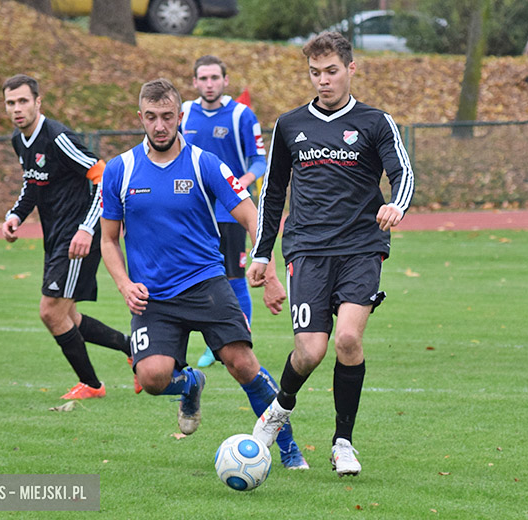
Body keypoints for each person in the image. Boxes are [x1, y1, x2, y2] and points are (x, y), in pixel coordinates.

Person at [99, 78, 308, 469]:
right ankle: (191, 383)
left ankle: (288, 447)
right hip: (153, 296)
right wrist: (124, 284)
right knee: (152, 378)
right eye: (150, 117)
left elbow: (253, 216)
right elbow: (108, 240)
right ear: (139, 118)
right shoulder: (120, 169)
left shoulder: (203, 162)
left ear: (180, 116)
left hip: (205, 283)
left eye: (166, 117)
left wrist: (271, 273)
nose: (159, 126)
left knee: (243, 364)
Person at [247, 32, 415, 477]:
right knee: (309, 352)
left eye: (331, 71)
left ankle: (343, 442)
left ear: (351, 69)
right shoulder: (289, 125)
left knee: (347, 340)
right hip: (307, 248)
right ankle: (279, 411)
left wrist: (397, 204)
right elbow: (273, 193)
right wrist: (261, 253)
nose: (323, 80)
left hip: (362, 247)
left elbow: (403, 173)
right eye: (315, 73)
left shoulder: (376, 122)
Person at [0, 74, 136, 399]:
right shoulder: (20, 141)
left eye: (23, 101)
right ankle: (133, 348)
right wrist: (15, 215)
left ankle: (92, 385)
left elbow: (103, 175)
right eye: (10, 103)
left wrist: (88, 228)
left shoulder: (57, 138)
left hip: (77, 237)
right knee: (68, 315)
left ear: (37, 102)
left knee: (51, 312)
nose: (17, 109)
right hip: (57, 236)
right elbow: (32, 182)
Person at [180, 55, 283, 369]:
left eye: (214, 78)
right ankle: (212, 343)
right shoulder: (183, 113)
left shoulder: (241, 115)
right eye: (203, 78)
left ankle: (239, 341)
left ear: (225, 81)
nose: (209, 84)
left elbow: (259, 162)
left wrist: (241, 183)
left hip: (231, 212)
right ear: (195, 82)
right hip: (195, 213)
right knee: (198, 277)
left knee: (235, 276)